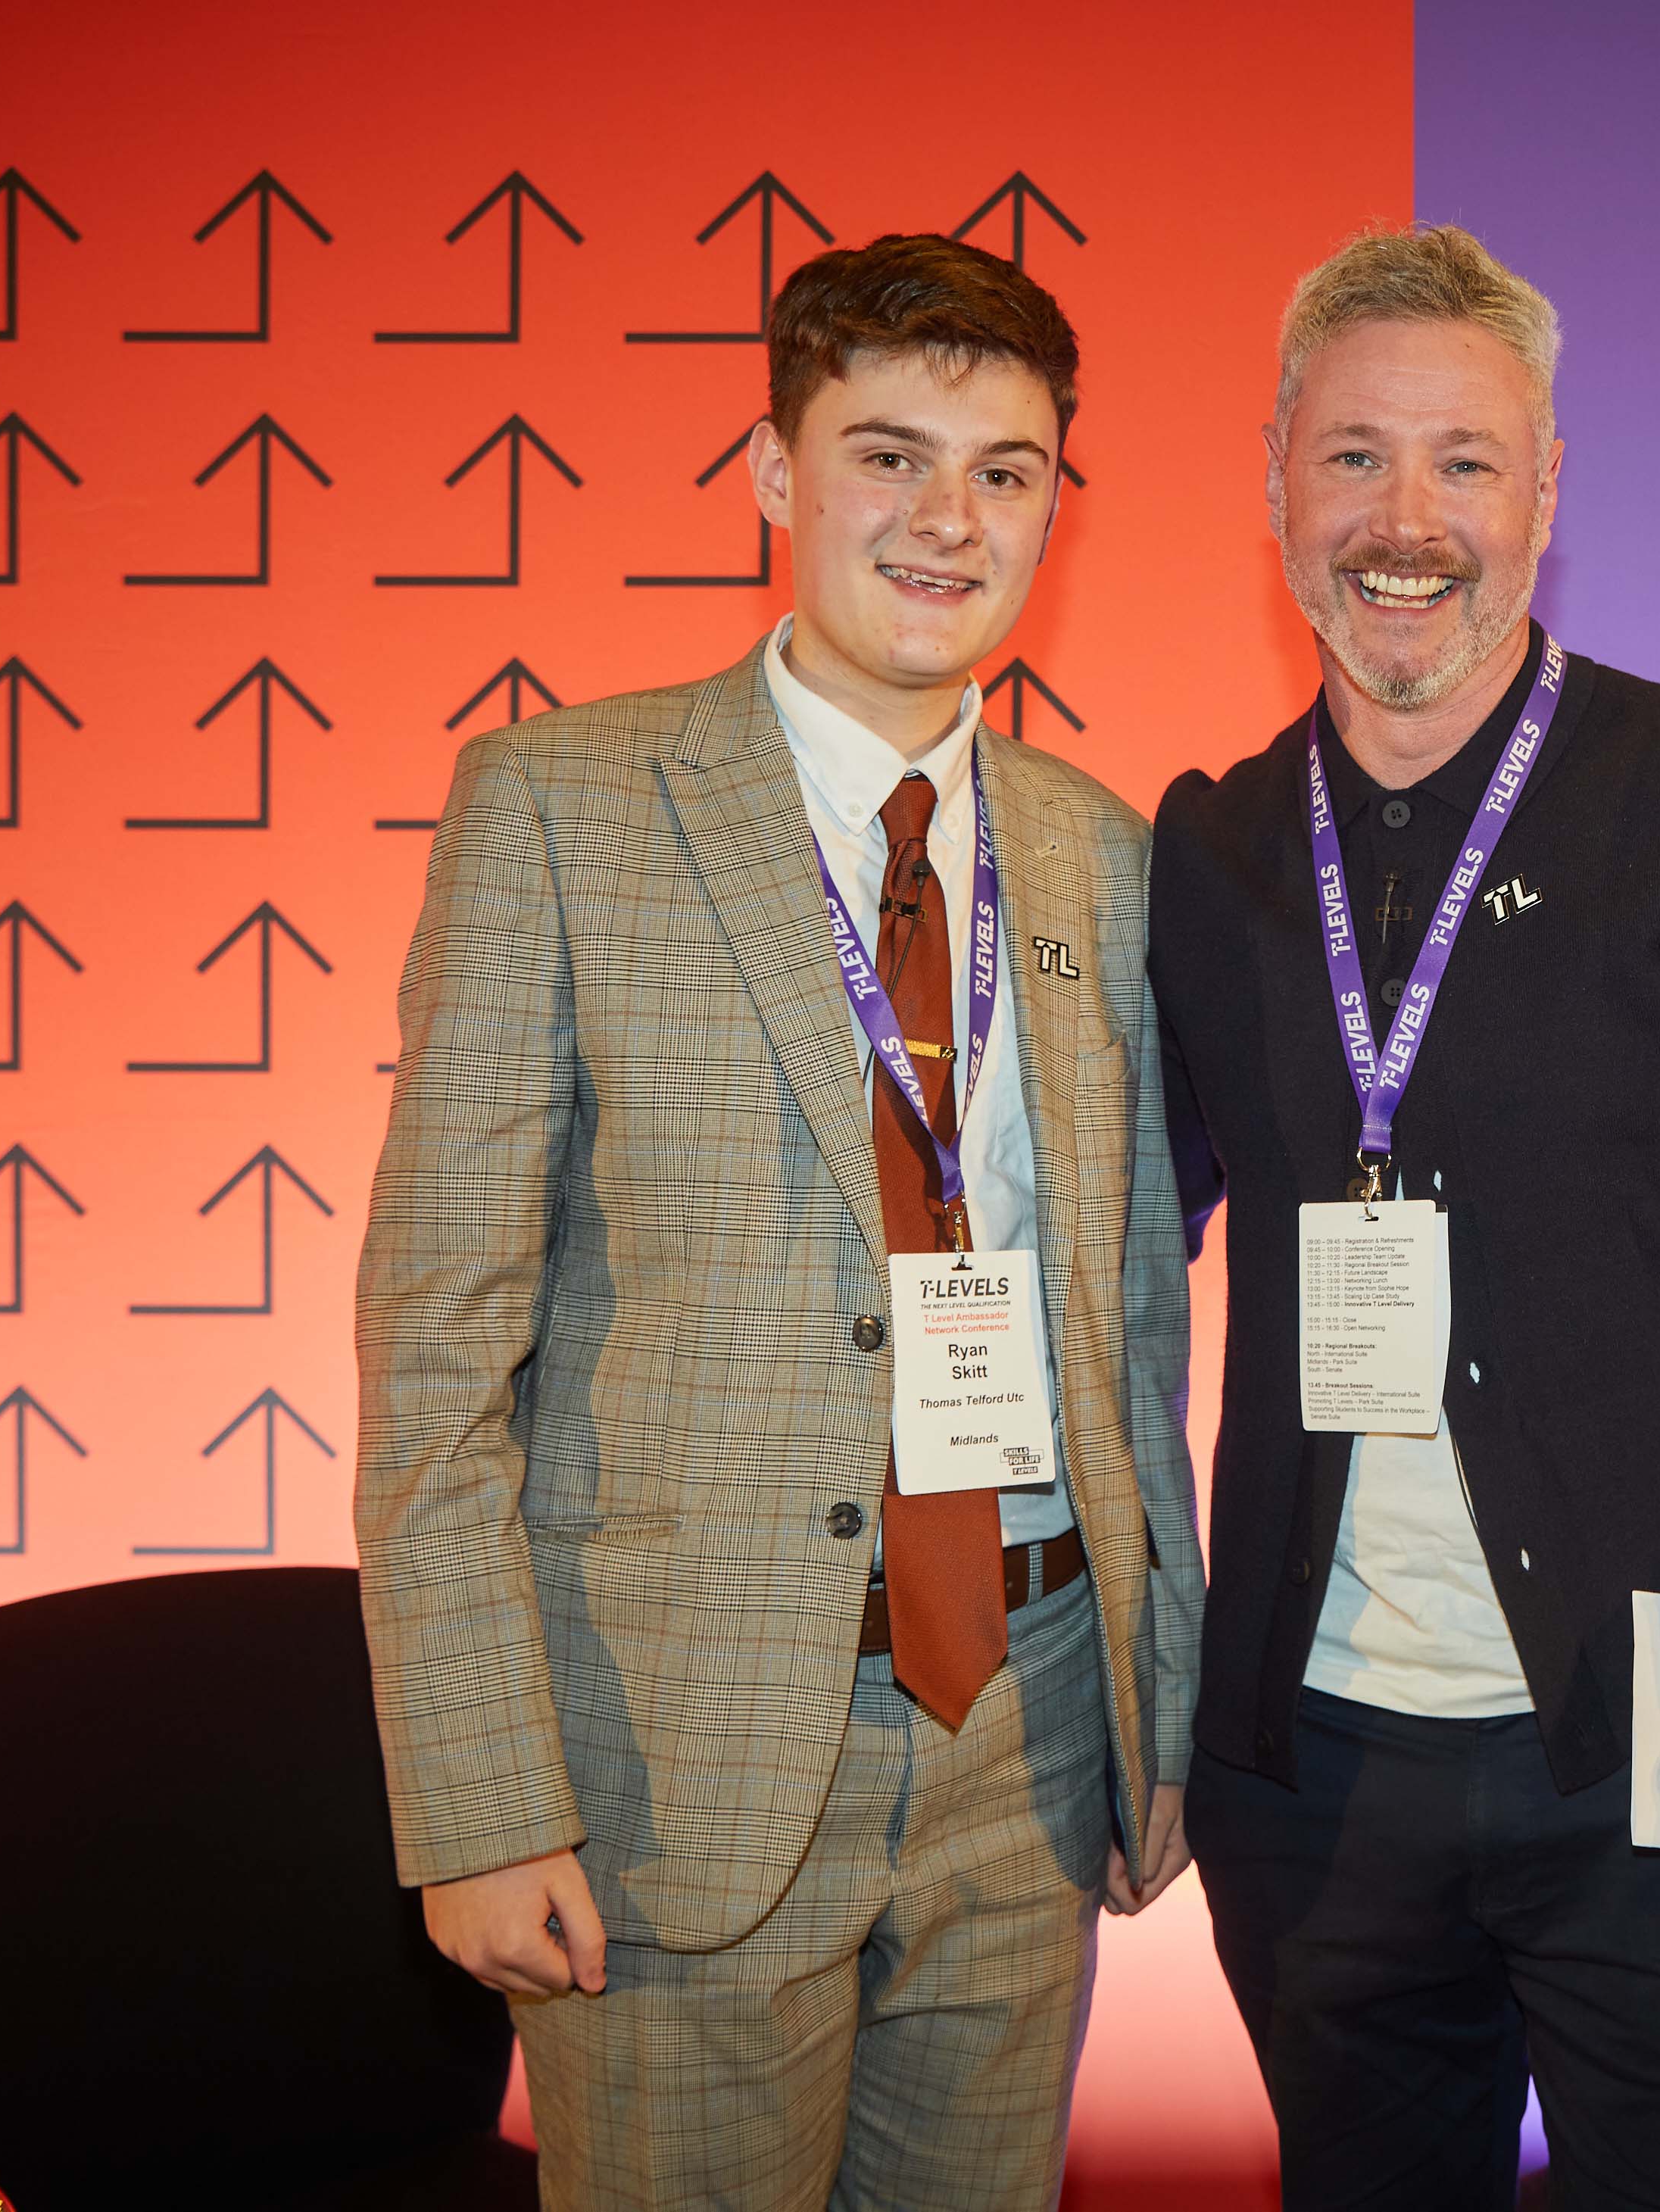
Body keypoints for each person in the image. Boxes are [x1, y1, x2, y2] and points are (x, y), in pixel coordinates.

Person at [354, 232, 1200, 2211]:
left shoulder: (1104, 855)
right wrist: (479, 1797)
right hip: (676, 1758)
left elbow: (1134, 1321)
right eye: (888, 456)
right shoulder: (558, 808)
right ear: (771, 472)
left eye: (1004, 471)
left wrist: (1150, 1714)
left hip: (1026, 1730)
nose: (947, 520)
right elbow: (437, 1350)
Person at [1151, 223, 1660, 2209]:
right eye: (1355, 457)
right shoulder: (1209, 850)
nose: (1406, 521)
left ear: (1545, 492)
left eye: (1465, 461)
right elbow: (1102, 1264)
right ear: (1274, 479)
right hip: (1313, 1785)